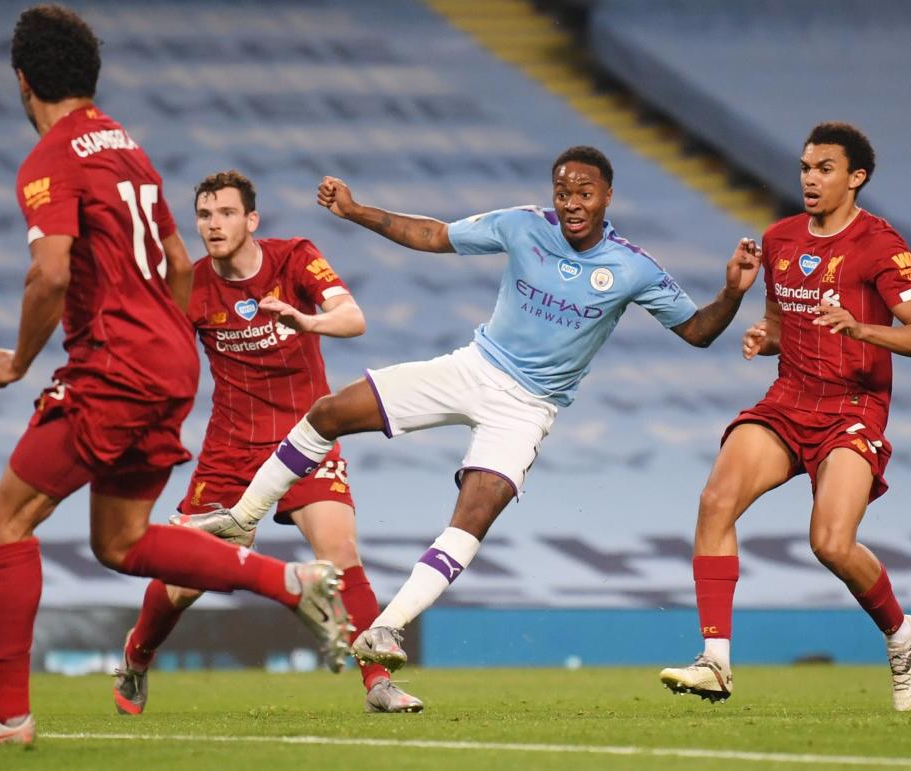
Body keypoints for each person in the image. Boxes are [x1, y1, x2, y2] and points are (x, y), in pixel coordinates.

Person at [0, 6, 350, 746]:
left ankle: (7, 710)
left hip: (118, 366)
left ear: (23, 82)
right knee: (121, 541)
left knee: (2, 519)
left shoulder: (53, 157)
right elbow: (180, 264)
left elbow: (49, 274)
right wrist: (164, 346)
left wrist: (20, 361)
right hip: (168, 363)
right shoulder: (129, 148)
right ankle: (288, 580)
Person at [180, 145, 762, 672]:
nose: (572, 204)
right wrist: (356, 211)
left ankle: (386, 628)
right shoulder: (523, 225)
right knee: (331, 411)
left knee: (471, 517)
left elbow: (696, 331)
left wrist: (733, 292)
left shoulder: (633, 267)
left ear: (607, 196)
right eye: (563, 193)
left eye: (584, 194)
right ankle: (246, 516)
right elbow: (434, 235)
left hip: (527, 409)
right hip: (472, 368)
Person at [112, 170, 423, 715]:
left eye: (226, 213)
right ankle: (137, 657)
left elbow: (353, 318)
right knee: (184, 583)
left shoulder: (295, 257)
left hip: (307, 438)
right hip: (231, 448)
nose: (214, 225)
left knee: (340, 554)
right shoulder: (188, 283)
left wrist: (307, 321)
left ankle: (377, 682)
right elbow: (157, 358)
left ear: (251, 220)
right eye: (205, 215)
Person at [659, 122, 911, 712]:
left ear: (856, 178)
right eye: (805, 168)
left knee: (831, 543)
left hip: (853, 408)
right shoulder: (780, 239)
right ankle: (715, 661)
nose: (810, 180)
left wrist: (861, 327)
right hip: (789, 400)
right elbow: (784, 327)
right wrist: (762, 331)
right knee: (716, 502)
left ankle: (900, 632)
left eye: (825, 169)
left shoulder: (880, 246)